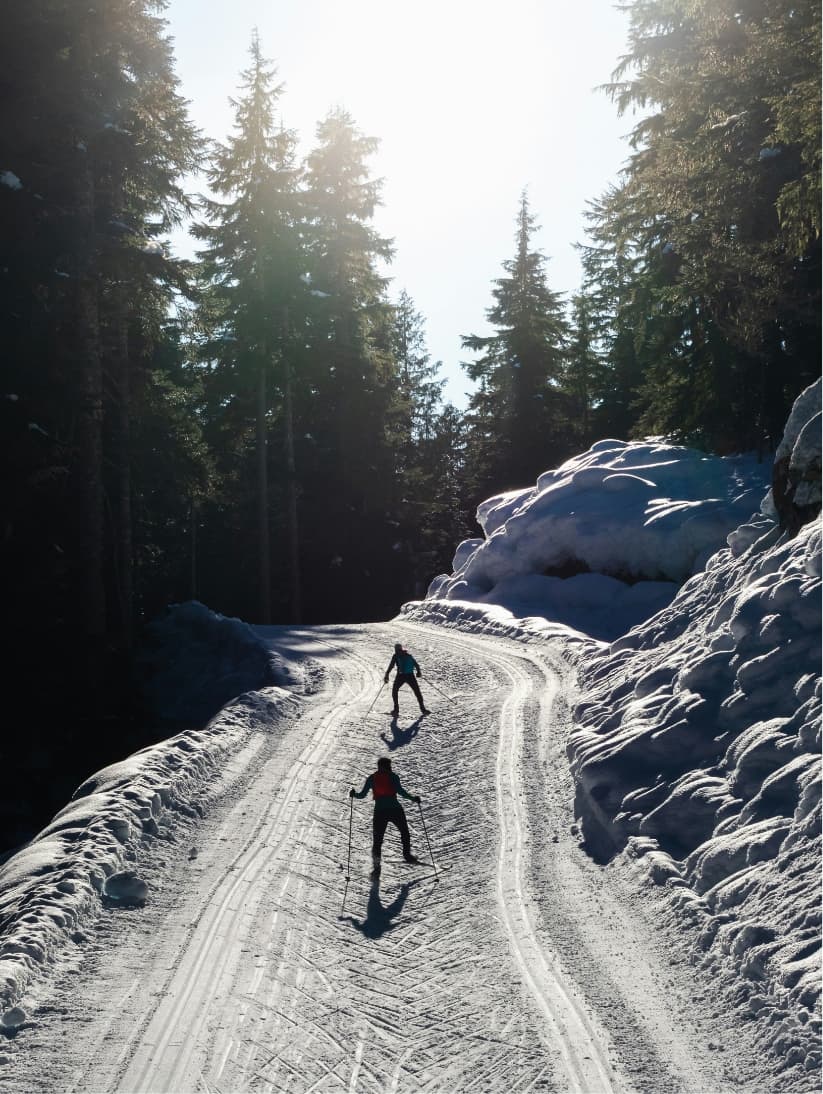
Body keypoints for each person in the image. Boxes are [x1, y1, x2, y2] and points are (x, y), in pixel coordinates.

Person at [350, 757, 421, 879]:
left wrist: (354, 794)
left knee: (377, 841)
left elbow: (362, 795)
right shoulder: (393, 776)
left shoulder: (372, 778)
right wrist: (413, 798)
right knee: (404, 832)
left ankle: (376, 869)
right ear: (388, 766)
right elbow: (400, 791)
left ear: (378, 766)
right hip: (395, 809)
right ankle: (407, 856)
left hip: (380, 812)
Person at [384, 642, 430, 717]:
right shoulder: (408, 655)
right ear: (401, 648)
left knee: (395, 690)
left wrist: (387, 674)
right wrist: (418, 672)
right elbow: (416, 664)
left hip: (401, 676)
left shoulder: (395, 656)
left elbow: (391, 666)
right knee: (417, 692)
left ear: (395, 649)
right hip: (410, 675)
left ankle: (396, 709)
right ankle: (423, 709)